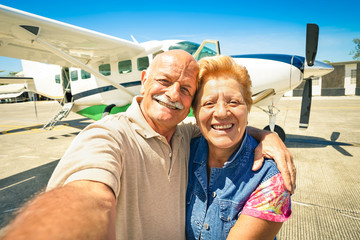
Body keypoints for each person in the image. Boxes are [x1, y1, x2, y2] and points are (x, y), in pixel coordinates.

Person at [1, 50, 295, 240]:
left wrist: (268, 136)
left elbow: (220, 125)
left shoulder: (186, 139)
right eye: (163, 80)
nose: (172, 94)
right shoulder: (107, 135)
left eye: (185, 89)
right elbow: (91, 196)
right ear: (144, 80)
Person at [186, 55, 291, 240]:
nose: (221, 113)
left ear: (247, 108)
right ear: (195, 113)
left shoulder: (272, 180)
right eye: (209, 103)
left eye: (233, 102)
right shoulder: (182, 151)